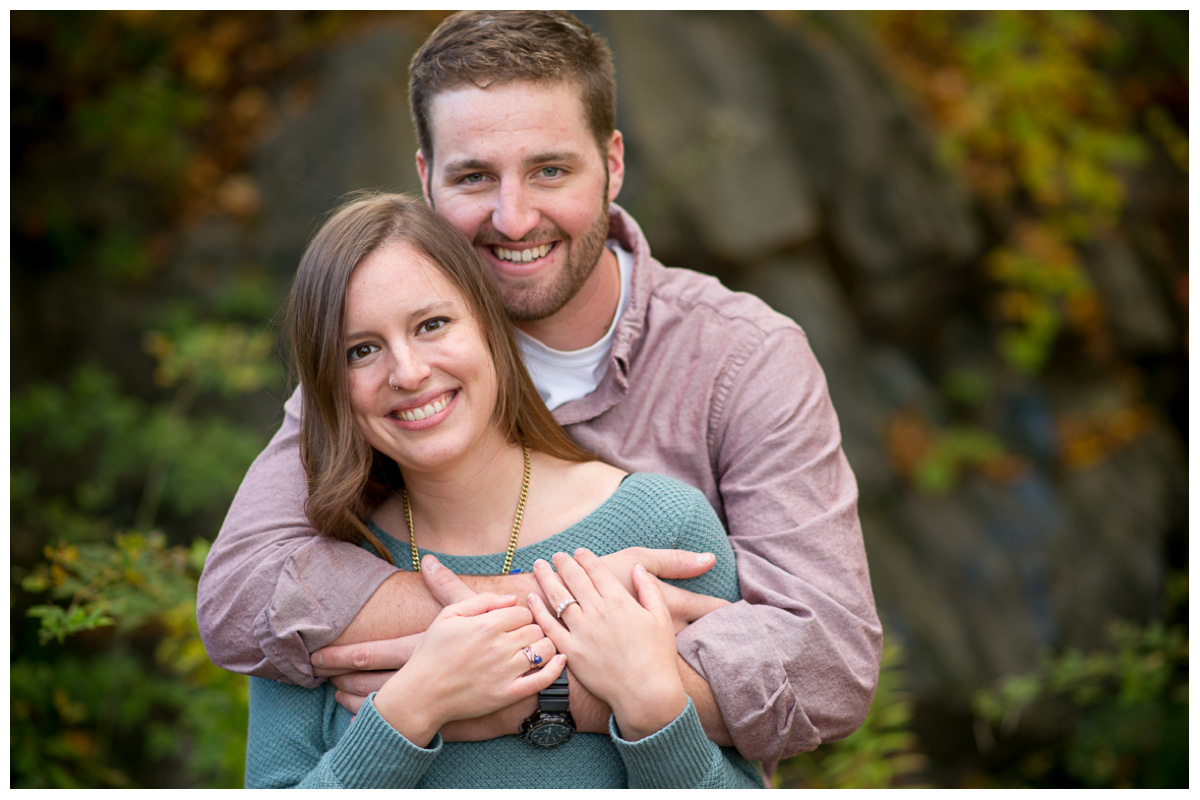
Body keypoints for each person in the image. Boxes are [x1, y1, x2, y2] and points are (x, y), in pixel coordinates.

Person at [199, 9, 881, 770]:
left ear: (613, 165)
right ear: (426, 180)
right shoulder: (387, 371)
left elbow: (826, 662)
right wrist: (560, 611)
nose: (513, 217)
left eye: (550, 170)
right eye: (474, 177)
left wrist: (540, 694)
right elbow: (239, 595)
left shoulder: (741, 361)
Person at [246, 192, 762, 788]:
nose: (408, 372)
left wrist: (652, 708)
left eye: (432, 324)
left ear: (491, 328)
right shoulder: (318, 582)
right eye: (361, 350)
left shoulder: (664, 531)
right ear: (330, 385)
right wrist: (412, 708)